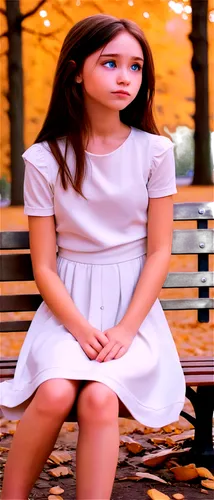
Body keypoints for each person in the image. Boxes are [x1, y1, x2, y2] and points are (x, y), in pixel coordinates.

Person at [0, 13, 186, 500]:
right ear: (76, 71)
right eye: (110, 63)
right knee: (57, 391)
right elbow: (44, 264)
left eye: (136, 67)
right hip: (68, 314)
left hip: (134, 314)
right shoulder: (45, 160)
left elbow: (160, 250)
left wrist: (125, 329)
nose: (126, 77)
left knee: (102, 398)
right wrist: (81, 330)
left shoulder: (155, 153)